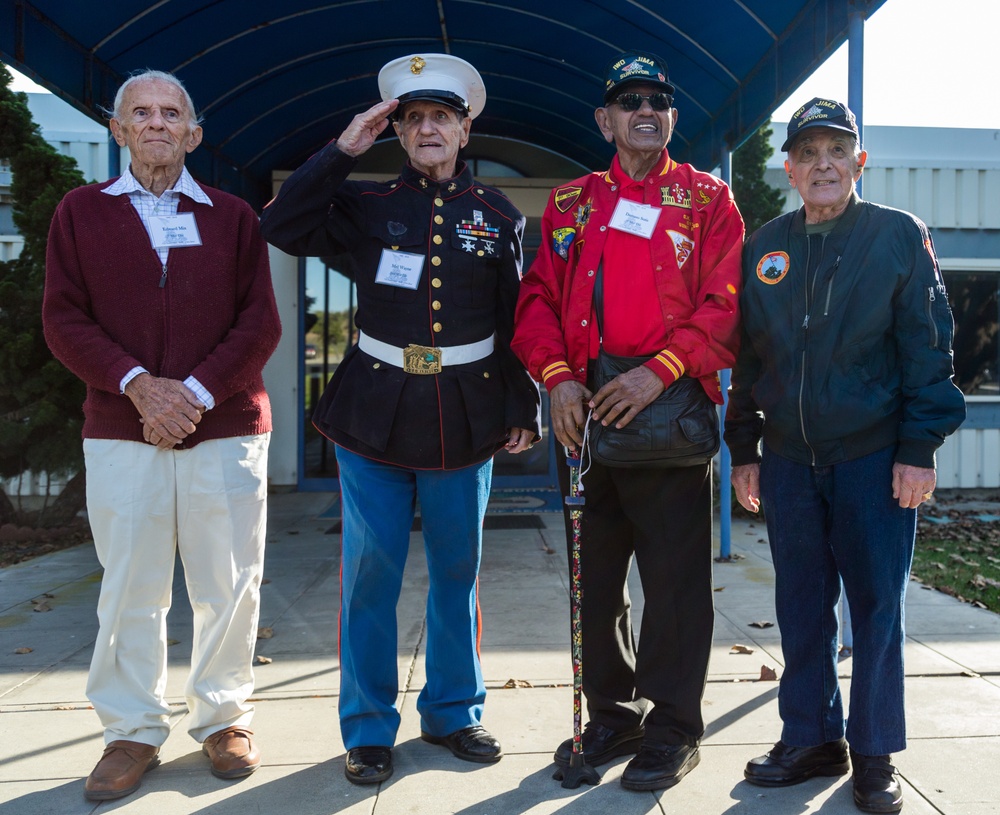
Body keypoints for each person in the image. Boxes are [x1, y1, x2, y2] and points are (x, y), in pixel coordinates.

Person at [259, 53, 540, 786]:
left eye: (441, 116)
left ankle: (453, 711)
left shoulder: (499, 216)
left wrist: (524, 404)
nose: (427, 129)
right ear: (400, 133)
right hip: (374, 413)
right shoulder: (367, 205)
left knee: (458, 570)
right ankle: (367, 726)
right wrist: (342, 150)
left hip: (466, 414)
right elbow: (281, 222)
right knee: (371, 574)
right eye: (413, 119)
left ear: (464, 130)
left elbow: (516, 319)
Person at [42, 70, 281, 801]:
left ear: (193, 133)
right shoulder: (80, 213)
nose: (154, 123)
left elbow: (260, 323)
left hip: (227, 427)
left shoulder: (235, 215)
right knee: (130, 587)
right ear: (117, 131)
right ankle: (131, 730)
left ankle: (224, 717)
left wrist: (195, 395)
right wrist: (141, 385)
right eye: (139, 113)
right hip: (122, 427)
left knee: (228, 582)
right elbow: (63, 319)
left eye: (169, 113)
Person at [724, 97, 966, 813]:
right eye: (809, 153)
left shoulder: (897, 235)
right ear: (790, 169)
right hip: (790, 460)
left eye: (838, 151)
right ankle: (810, 735)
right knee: (800, 606)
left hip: (874, 456)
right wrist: (745, 447)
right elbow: (746, 357)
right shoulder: (765, 244)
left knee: (876, 606)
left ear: (859, 162)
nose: (823, 163)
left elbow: (929, 347)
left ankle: (873, 753)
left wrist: (918, 448)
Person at [512, 50, 743, 791]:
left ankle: (674, 724)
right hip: (586, 422)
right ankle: (612, 715)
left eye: (658, 99)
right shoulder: (570, 203)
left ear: (672, 116)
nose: (646, 109)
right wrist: (556, 379)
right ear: (604, 118)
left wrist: (658, 370)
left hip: (668, 414)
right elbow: (537, 301)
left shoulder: (709, 200)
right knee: (595, 579)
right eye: (629, 99)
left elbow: (727, 305)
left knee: (674, 584)